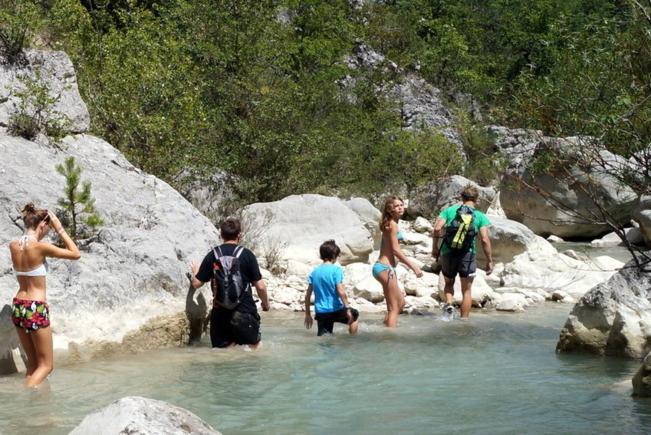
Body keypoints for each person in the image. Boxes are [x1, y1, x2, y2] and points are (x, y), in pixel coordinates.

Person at [9, 204, 80, 388]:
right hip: (35, 307)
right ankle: (23, 397)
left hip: (18, 305)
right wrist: (60, 229)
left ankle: (35, 410)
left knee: (33, 366)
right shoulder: (41, 247)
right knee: (46, 366)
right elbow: (75, 253)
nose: (47, 232)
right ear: (42, 225)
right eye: (47, 229)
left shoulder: (13, 246)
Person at [189, 218, 269, 349]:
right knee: (255, 347)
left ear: (221, 235)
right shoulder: (247, 255)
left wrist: (195, 272)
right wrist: (266, 304)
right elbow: (260, 286)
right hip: (244, 312)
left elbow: (196, 283)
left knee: (223, 353)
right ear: (239, 235)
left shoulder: (212, 255)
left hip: (220, 314)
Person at [432, 185, 493, 319]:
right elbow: (484, 239)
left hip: (448, 251)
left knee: (448, 283)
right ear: (476, 199)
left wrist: (435, 248)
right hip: (468, 254)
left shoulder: (449, 211)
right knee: (466, 290)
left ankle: (449, 303)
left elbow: (437, 229)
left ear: (462, 197)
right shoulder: (479, 216)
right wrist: (489, 260)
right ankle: (464, 321)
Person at [372, 196, 423, 327]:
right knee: (394, 307)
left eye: (401, 205)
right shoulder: (392, 224)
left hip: (386, 268)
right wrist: (414, 266)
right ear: (390, 209)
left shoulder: (391, 223)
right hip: (384, 268)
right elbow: (396, 251)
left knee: (399, 304)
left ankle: (385, 328)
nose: (401, 207)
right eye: (396, 206)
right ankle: (390, 337)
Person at [304, 240, 359, 336]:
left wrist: (308, 314)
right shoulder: (336, 270)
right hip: (336, 309)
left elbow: (307, 296)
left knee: (324, 338)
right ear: (334, 256)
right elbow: (340, 290)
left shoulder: (314, 272)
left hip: (321, 312)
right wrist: (347, 308)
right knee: (354, 317)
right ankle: (351, 342)